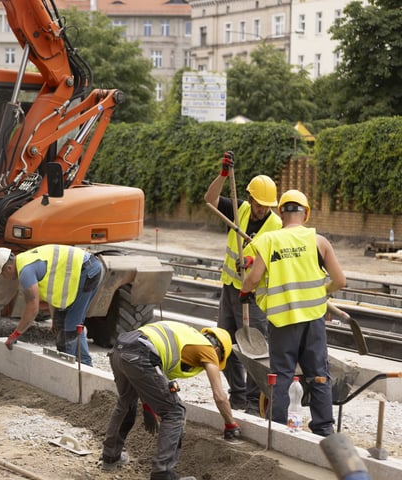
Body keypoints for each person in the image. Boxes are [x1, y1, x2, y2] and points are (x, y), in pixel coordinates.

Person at [240, 190, 346, 437]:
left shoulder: (268, 241)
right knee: (318, 374)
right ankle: (323, 427)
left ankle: (277, 427)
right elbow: (340, 280)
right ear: (306, 214)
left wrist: (244, 290)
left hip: (283, 321)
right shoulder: (319, 241)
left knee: (282, 375)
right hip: (313, 320)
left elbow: (253, 279)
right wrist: (324, 291)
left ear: (280, 213)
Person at [101, 321, 239, 479]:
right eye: (220, 357)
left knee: (126, 402)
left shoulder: (189, 337)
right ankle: (163, 473)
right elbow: (220, 396)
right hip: (141, 352)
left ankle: (110, 456)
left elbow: (152, 383)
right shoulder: (208, 349)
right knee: (174, 412)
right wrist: (230, 424)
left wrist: (148, 406)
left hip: (120, 348)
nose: (216, 360)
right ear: (217, 350)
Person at [204, 151, 281, 413]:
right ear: (249, 198)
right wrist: (223, 175)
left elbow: (277, 262)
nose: (261, 209)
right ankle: (237, 394)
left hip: (255, 296)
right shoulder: (241, 208)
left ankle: (251, 402)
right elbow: (210, 200)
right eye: (258, 203)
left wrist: (253, 264)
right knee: (223, 345)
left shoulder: (277, 226)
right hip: (230, 290)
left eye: (266, 205)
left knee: (255, 348)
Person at [0, 244, 103, 366]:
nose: (4, 277)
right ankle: (85, 365)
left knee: (68, 330)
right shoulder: (25, 259)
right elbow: (53, 291)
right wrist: (54, 319)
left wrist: (16, 334)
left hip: (87, 271)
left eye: (2, 274)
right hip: (88, 268)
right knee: (67, 324)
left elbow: (32, 308)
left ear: (9, 268)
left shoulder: (25, 271)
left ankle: (75, 371)